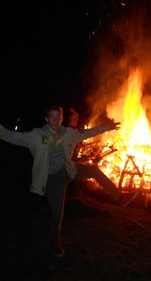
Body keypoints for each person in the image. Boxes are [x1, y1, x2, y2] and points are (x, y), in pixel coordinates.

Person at [0, 105, 138, 257]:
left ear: (62, 118)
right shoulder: (37, 136)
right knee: (58, 214)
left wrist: (107, 127)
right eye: (52, 117)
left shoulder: (68, 133)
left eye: (58, 116)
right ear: (46, 119)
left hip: (67, 170)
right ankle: (55, 241)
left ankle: (119, 197)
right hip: (52, 179)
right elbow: (10, 136)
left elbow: (87, 133)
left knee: (93, 171)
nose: (56, 120)